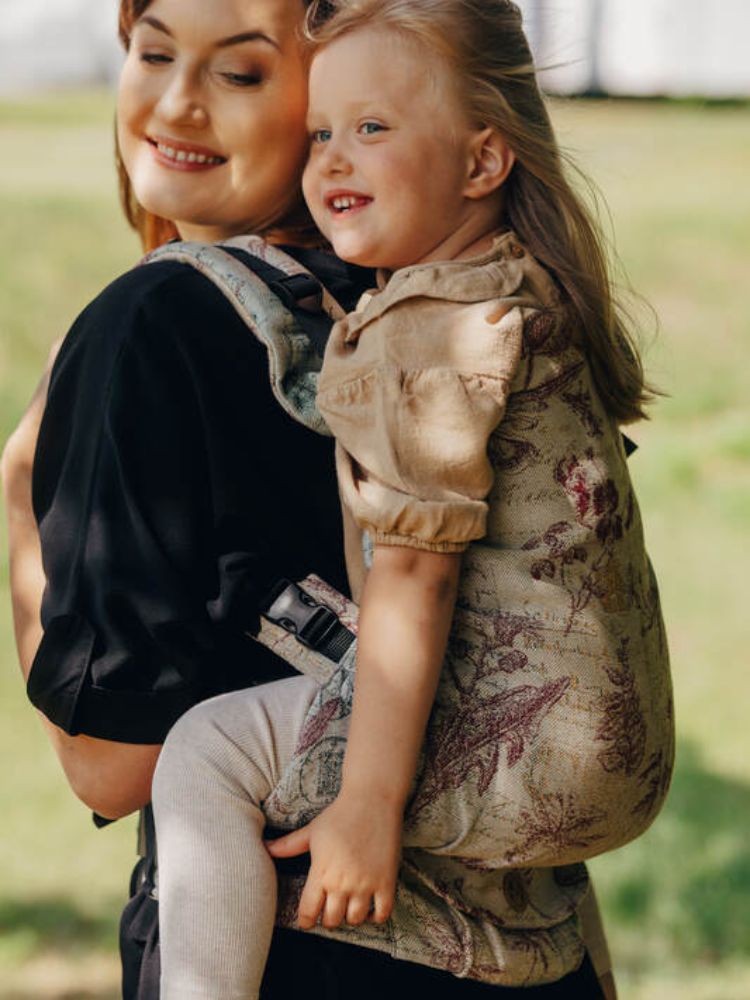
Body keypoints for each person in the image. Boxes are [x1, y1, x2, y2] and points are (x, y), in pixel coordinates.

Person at [0, 0, 616, 997]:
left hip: (308, 954)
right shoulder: (450, 294)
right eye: (152, 51)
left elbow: (109, 763)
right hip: (533, 955)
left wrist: (23, 501)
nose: (176, 103)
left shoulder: (155, 325)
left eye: (241, 74)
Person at [149, 0, 674, 998]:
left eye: (373, 128)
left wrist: (367, 806)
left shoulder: (431, 334)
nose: (332, 161)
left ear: (482, 164)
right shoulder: (524, 292)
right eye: (322, 134)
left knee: (203, 753)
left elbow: (417, 582)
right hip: (616, 751)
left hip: (522, 751)